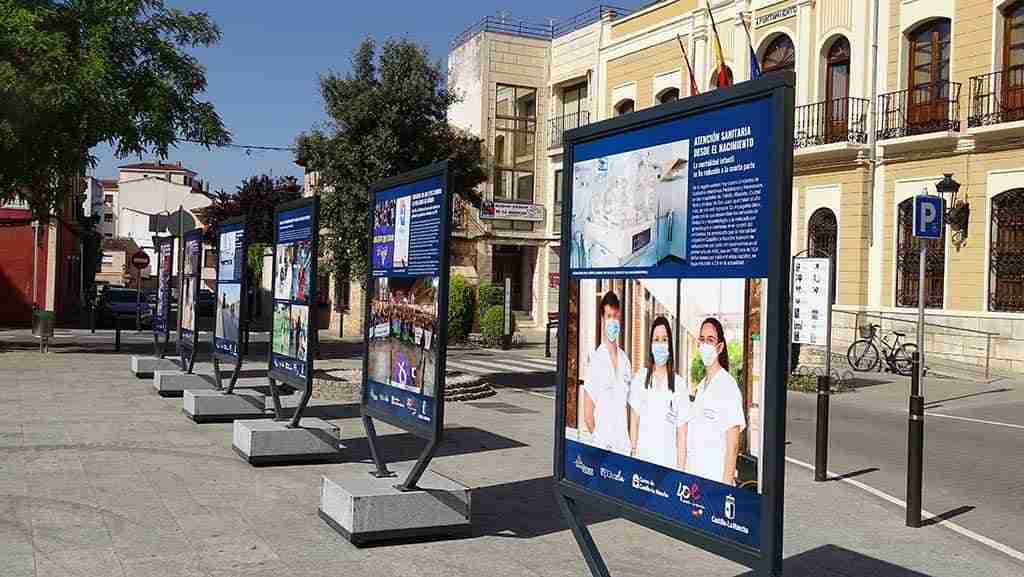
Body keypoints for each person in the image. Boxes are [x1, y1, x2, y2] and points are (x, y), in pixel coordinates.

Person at [686, 317, 746, 486]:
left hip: (716, 481)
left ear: (720, 347)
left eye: (710, 340)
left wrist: (725, 488)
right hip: (696, 480)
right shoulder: (701, 387)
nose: (705, 345)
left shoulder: (728, 386)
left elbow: (733, 445)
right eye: (702, 340)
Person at [628, 316, 690, 470]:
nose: (660, 344)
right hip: (641, 465)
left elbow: (682, 434)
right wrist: (633, 454)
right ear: (650, 345)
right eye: (656, 339)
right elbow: (634, 422)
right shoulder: (641, 377)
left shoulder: (679, 384)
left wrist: (680, 471)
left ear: (670, 345)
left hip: (668, 467)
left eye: (664, 339)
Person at [581, 291, 632, 455]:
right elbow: (588, 414)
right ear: (602, 319)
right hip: (603, 449)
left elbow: (629, 407)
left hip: (623, 447)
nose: (613, 321)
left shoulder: (626, 360)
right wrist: (600, 442)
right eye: (609, 316)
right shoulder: (596, 361)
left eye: (616, 316)